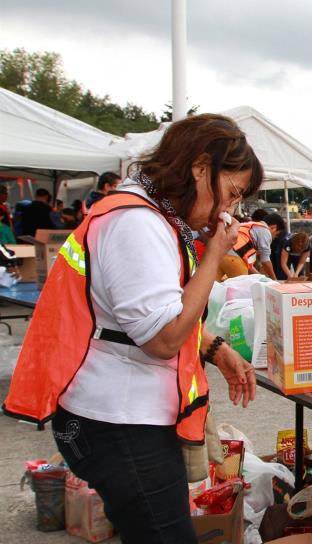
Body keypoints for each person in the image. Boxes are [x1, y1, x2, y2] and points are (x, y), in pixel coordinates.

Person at [3, 113, 262, 543]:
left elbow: (144, 314)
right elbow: (162, 337)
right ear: (200, 168)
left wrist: (215, 348)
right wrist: (214, 255)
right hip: (118, 421)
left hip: (123, 415)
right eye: (231, 194)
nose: (228, 211)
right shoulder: (136, 223)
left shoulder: (152, 217)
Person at [221, 212, 285, 280]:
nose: (274, 238)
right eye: (276, 234)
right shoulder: (265, 231)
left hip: (220, 255)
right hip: (234, 257)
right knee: (242, 288)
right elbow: (265, 260)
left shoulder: (249, 226)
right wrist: (274, 279)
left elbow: (248, 265)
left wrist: (261, 277)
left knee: (214, 287)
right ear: (273, 228)